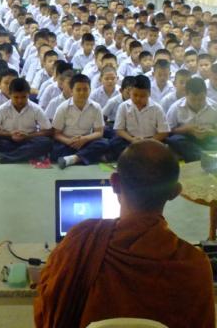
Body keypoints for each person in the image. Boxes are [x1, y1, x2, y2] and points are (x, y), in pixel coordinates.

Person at [34, 140, 215, 328]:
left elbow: (46, 313)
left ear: (115, 183)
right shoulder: (194, 265)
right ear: (175, 192)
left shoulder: (80, 240)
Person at [0, 78, 53, 163]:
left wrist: (28, 135)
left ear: (28, 94)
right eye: (16, 97)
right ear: (10, 95)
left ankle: (4, 157)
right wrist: (10, 134)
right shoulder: (2, 109)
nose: (20, 101)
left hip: (29, 139)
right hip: (9, 139)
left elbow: (48, 131)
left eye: (23, 97)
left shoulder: (36, 109)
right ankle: (26, 154)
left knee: (46, 142)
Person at [51, 74, 109, 168]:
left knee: (104, 143)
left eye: (85, 89)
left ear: (90, 90)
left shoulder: (96, 107)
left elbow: (99, 132)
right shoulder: (63, 108)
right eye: (78, 90)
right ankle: (85, 157)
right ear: (71, 91)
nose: (82, 93)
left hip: (86, 142)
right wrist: (68, 141)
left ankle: (73, 159)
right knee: (54, 150)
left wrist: (84, 139)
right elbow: (56, 134)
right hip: (68, 142)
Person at [109, 75, 169, 160]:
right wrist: (131, 139)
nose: (138, 99)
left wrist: (148, 141)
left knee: (167, 145)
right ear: (130, 92)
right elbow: (119, 129)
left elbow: (164, 132)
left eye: (142, 96)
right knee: (115, 143)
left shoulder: (157, 108)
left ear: (149, 93)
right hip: (130, 140)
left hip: (151, 140)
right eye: (135, 95)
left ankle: (134, 157)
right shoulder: (123, 106)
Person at [166, 77, 217, 162]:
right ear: (186, 94)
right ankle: (204, 156)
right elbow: (168, 131)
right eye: (193, 99)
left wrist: (209, 132)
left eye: (201, 99)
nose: (197, 103)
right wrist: (187, 129)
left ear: (206, 94)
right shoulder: (175, 108)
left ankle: (198, 155)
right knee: (174, 140)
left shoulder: (214, 107)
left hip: (208, 137)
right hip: (187, 139)